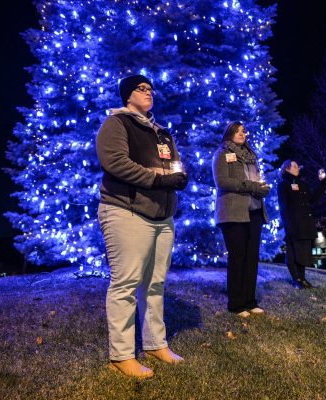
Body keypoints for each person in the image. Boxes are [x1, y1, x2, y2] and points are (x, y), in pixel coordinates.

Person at [96, 74, 188, 379]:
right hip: (126, 211)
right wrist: (158, 179)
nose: (149, 93)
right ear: (127, 95)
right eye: (141, 88)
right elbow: (115, 162)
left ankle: (154, 344)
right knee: (125, 284)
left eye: (151, 89)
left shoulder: (161, 132)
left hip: (162, 216)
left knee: (155, 284)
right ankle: (121, 355)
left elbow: (173, 163)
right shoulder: (117, 123)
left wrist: (179, 175)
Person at [212, 121, 270, 318]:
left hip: (254, 211)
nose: (241, 134)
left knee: (252, 257)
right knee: (238, 257)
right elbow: (222, 181)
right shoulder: (222, 154)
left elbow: (256, 180)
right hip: (233, 212)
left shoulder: (251, 156)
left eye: (243, 131)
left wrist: (261, 188)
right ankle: (236, 304)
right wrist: (251, 186)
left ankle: (249, 301)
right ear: (229, 133)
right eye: (237, 131)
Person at [277, 160, 326, 289]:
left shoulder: (302, 184)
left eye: (297, 165)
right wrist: (288, 224)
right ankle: (296, 279)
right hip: (293, 224)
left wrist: (323, 183)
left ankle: (302, 279)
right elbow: (284, 207)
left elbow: (312, 199)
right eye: (294, 166)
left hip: (305, 223)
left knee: (303, 252)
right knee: (293, 252)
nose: (297, 167)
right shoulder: (284, 184)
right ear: (286, 169)